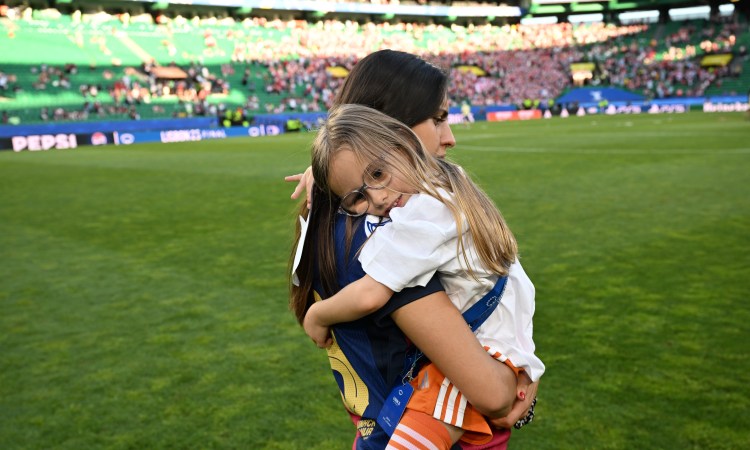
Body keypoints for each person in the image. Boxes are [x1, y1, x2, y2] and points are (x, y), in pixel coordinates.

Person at [287, 50, 538, 449]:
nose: (450, 137)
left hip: (379, 428)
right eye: (437, 119)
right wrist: (522, 381)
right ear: (393, 130)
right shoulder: (388, 230)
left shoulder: (343, 220)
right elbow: (495, 396)